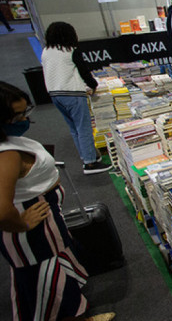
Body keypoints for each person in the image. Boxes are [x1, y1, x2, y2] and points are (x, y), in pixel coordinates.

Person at [0, 81, 116, 321]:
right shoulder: (6, 155)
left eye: (25, 112)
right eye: (18, 115)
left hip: (44, 221)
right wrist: (22, 224)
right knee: (46, 285)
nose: (25, 119)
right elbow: (2, 210)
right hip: (31, 232)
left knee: (58, 275)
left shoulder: (9, 144)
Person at [40, 22, 112, 174]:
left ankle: (86, 155)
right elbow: (84, 72)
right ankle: (90, 163)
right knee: (84, 127)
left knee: (74, 128)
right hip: (72, 93)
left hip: (54, 94)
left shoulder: (46, 51)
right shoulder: (70, 51)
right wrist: (93, 85)